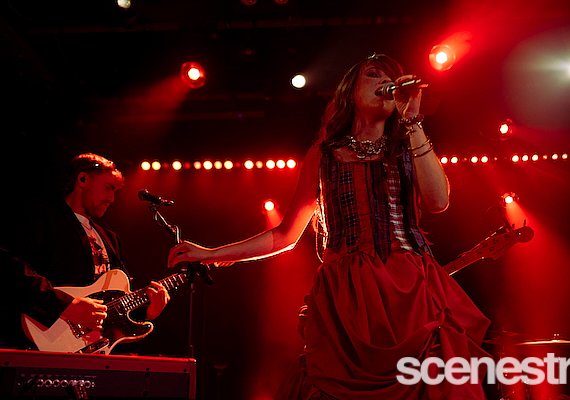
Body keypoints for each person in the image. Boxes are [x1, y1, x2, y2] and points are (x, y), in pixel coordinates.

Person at [168, 54, 491, 399]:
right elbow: (285, 235)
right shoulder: (323, 155)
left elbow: (438, 201)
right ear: (349, 91)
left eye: (390, 77)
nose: (385, 82)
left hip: (410, 292)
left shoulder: (407, 145)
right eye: (373, 74)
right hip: (346, 297)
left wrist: (412, 120)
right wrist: (213, 253)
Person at [13, 153, 170, 348]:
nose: (112, 199)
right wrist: (64, 305)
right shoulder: (41, 220)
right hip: (38, 338)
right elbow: (11, 268)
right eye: (108, 187)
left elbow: (115, 301)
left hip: (89, 346)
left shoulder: (110, 238)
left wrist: (147, 311)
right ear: (83, 179)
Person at [0, 247, 107, 349]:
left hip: (90, 338)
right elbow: (8, 265)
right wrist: (61, 303)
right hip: (22, 331)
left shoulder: (109, 239)